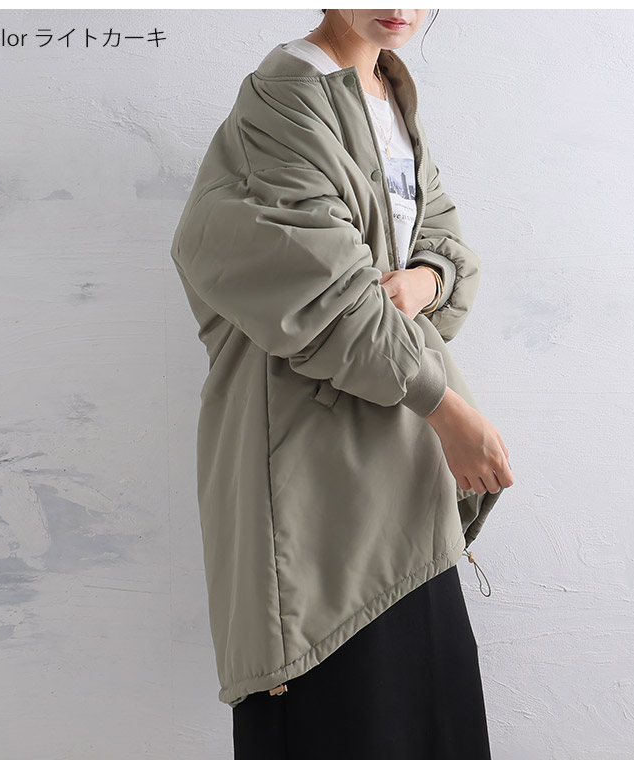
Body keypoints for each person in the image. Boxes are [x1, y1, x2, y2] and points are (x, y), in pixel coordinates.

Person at [170, 9, 514, 759]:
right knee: (348, 710)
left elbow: (447, 247)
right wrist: (446, 409)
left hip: (402, 461)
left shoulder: (390, 93)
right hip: (315, 463)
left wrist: (425, 280)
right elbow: (324, 292)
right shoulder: (285, 96)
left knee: (426, 718)